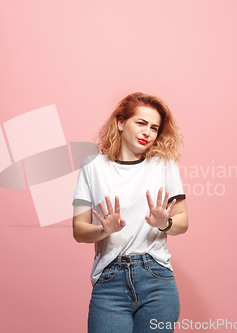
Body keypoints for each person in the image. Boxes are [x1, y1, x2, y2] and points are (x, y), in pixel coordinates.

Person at [72, 92, 188, 333]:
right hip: (110, 281)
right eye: (141, 123)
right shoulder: (92, 166)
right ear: (121, 122)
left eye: (154, 128)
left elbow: (183, 222)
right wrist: (104, 229)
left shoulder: (164, 164)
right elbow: (79, 231)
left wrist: (164, 223)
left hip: (156, 279)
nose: (148, 132)